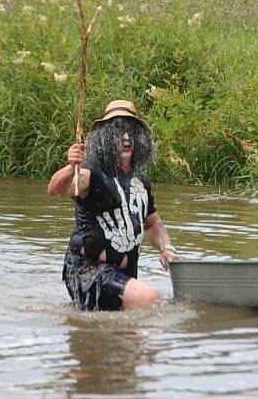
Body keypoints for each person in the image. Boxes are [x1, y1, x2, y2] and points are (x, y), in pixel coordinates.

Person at [48, 99, 178, 311]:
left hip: (122, 277)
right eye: (118, 131)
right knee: (150, 299)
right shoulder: (91, 171)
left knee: (127, 339)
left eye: (130, 131)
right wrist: (71, 168)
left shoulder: (140, 180)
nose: (126, 138)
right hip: (88, 272)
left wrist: (167, 248)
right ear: (106, 137)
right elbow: (57, 189)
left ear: (139, 138)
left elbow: (153, 224)